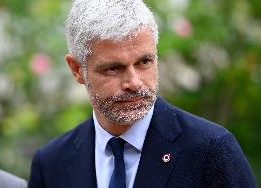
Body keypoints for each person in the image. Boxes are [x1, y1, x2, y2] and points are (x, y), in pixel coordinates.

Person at [28, 0, 257, 187]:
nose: (134, 82)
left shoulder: (211, 151)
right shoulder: (51, 164)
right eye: (113, 68)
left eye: (144, 61)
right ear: (77, 69)